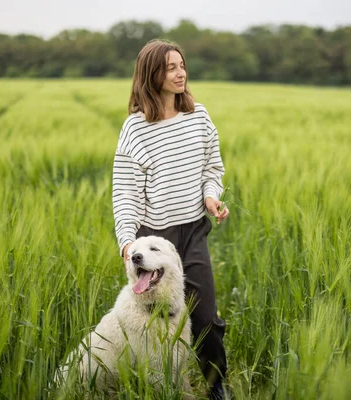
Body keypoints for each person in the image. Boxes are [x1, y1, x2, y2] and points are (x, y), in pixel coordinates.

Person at [111, 38, 230, 399]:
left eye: (182, 65)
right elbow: (125, 192)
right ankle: (161, 386)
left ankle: (215, 387)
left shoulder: (199, 117)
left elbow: (212, 166)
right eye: (171, 68)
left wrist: (211, 195)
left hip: (192, 232)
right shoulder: (135, 129)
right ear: (151, 75)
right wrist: (128, 242)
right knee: (155, 323)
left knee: (205, 317)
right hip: (153, 240)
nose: (181, 73)